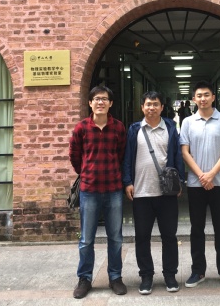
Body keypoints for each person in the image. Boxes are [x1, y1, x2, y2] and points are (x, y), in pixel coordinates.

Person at [123, 91, 185, 295]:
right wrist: (128, 181)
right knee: (142, 237)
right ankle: (146, 276)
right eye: (148, 104)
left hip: (166, 193)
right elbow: (127, 157)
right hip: (141, 192)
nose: (152, 108)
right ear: (142, 107)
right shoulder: (134, 129)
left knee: (169, 236)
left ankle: (170, 275)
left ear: (162, 107)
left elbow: (177, 156)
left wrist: (179, 181)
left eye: (155, 104)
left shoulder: (170, 128)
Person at [179, 80, 220, 289]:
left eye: (206, 95)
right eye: (199, 95)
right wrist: (201, 176)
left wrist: (212, 174)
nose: (203, 99)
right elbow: (185, 151)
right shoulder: (188, 122)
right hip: (195, 185)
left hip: (219, 183)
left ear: (213, 97)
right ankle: (198, 271)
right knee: (196, 228)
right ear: (193, 99)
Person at [69, 85, 128, 299]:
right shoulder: (81, 128)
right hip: (89, 190)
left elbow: (122, 155)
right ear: (90, 103)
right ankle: (84, 278)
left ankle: (115, 277)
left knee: (116, 237)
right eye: (96, 99)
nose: (100, 102)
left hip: (113, 189)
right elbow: (75, 156)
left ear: (110, 103)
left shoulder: (118, 127)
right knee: (86, 238)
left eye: (104, 99)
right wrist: (87, 172)